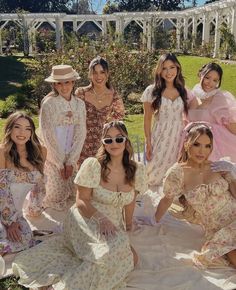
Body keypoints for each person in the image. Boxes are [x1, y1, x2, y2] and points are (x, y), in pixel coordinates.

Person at [12, 121, 147, 290]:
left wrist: (127, 225)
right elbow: (81, 200)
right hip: (85, 217)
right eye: (108, 140)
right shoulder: (93, 165)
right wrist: (101, 219)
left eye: (119, 139)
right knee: (106, 254)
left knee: (131, 258)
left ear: (126, 141)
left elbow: (130, 201)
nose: (114, 144)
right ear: (103, 144)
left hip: (112, 223)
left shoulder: (137, 170)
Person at [139, 123, 236, 268]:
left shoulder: (218, 166)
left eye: (207, 146)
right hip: (218, 228)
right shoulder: (178, 173)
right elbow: (167, 200)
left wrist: (232, 172)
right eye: (197, 144)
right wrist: (154, 219)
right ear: (186, 144)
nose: (202, 151)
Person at [141, 53, 198, 190]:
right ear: (159, 71)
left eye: (172, 67)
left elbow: (195, 108)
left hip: (178, 136)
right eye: (164, 68)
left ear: (177, 68)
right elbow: (147, 119)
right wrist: (148, 142)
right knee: (152, 171)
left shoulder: (183, 91)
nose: (168, 72)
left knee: (172, 171)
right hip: (159, 134)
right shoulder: (152, 91)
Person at [40, 64, 86, 211]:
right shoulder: (49, 104)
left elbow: (81, 132)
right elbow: (48, 135)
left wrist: (71, 161)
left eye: (67, 82)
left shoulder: (79, 104)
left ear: (73, 82)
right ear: (54, 84)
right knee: (55, 195)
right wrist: (59, 163)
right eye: (59, 83)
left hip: (71, 153)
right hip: (53, 155)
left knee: (76, 191)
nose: (64, 86)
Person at [0, 111, 46, 255]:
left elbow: (39, 185)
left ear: (32, 132)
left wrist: (35, 208)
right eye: (17, 127)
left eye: (28, 129)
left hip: (17, 213)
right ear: (10, 129)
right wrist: (9, 222)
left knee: (25, 238)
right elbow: (2, 189)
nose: (22, 133)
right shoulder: (2, 151)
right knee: (3, 236)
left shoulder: (41, 151)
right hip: (4, 208)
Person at [75, 56, 125, 166]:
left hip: (104, 147)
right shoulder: (81, 93)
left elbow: (118, 120)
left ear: (107, 74)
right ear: (90, 74)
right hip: (82, 147)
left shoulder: (114, 96)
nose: (98, 76)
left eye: (102, 72)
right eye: (95, 73)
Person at [189, 62, 236, 161]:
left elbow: (231, 126)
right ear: (200, 75)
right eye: (207, 78)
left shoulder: (219, 98)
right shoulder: (192, 96)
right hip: (193, 145)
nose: (210, 83)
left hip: (212, 147)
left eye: (215, 80)